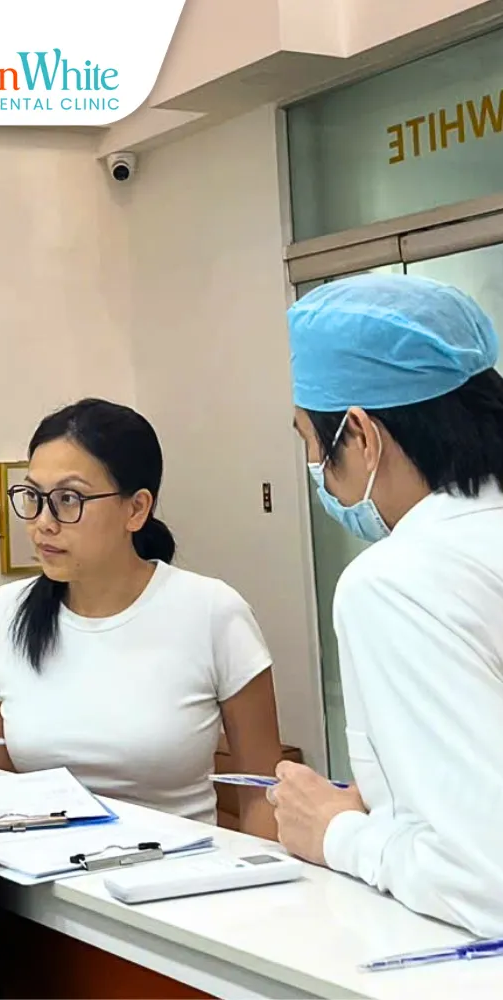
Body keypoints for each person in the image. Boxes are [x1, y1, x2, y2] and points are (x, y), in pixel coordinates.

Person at [271, 274, 503, 937]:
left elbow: (486, 881)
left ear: (360, 435)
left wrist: (336, 832)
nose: (314, 467)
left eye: (309, 440)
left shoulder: (399, 581)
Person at [0, 399, 282, 836]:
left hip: (181, 871)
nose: (43, 523)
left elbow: (262, 793)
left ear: (136, 509)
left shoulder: (213, 612)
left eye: (68, 499)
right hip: (43, 870)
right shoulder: (3, 614)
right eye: (33, 497)